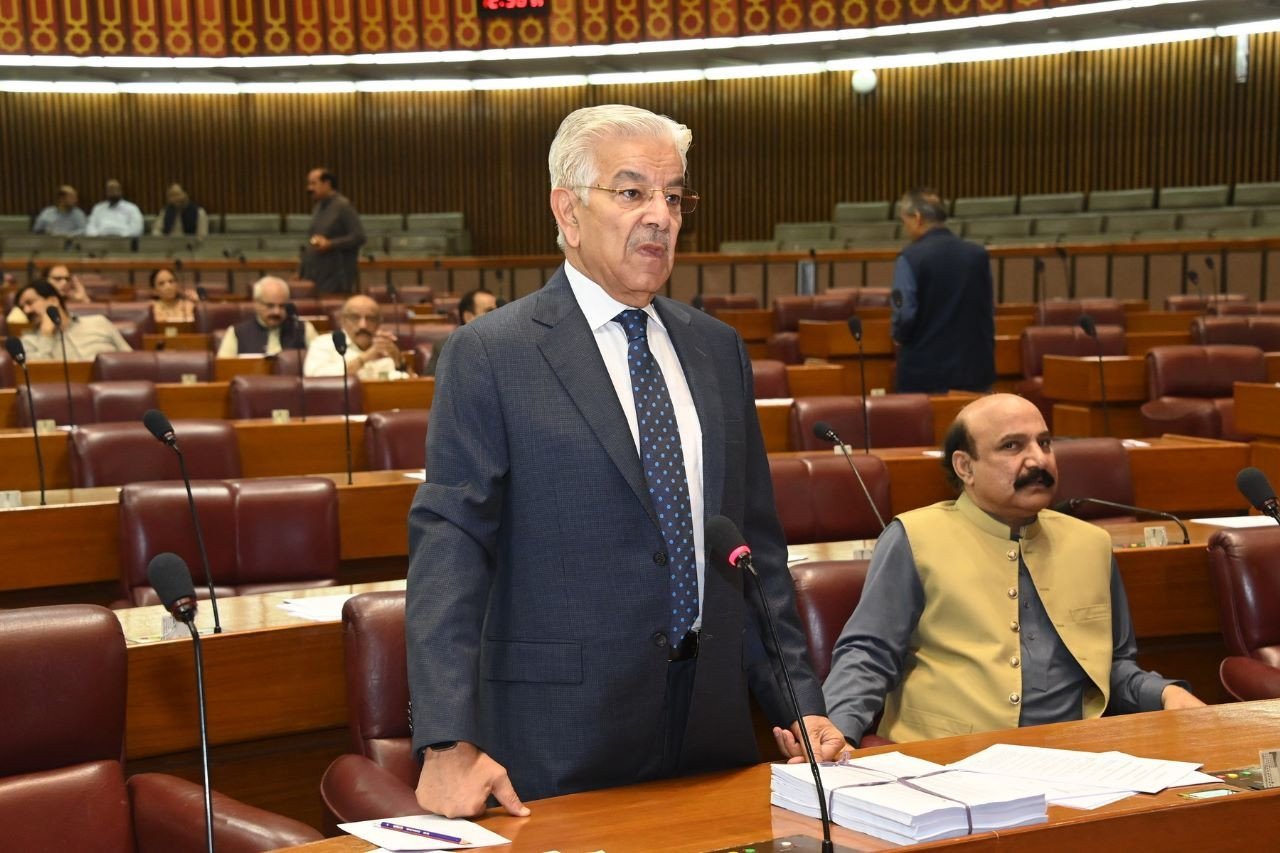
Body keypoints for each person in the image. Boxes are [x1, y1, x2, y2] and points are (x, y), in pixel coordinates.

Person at [406, 104, 845, 819]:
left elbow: (752, 545)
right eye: (633, 192)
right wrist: (446, 741)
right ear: (568, 210)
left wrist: (797, 700)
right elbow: (451, 550)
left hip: (711, 724)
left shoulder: (717, 349)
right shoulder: (492, 353)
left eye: (674, 197)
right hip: (560, 735)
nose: (661, 216)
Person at [823, 393, 1204, 746]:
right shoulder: (914, 537)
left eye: (1045, 443)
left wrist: (1166, 693)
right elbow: (869, 654)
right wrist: (837, 730)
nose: (1038, 460)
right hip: (949, 755)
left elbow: (1112, 666)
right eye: (1012, 446)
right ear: (965, 466)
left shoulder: (1091, 543)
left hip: (1076, 752)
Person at [890, 188, 994, 394]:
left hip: (925, 376)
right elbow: (987, 311)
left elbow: (905, 315)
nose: (905, 229)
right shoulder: (978, 255)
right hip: (975, 373)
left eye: (904, 221)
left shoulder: (910, 258)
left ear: (917, 218)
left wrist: (897, 336)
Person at [15, 280, 131, 360]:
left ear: (53, 301)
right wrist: (46, 336)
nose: (26, 310)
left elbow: (130, 359)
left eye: (30, 303)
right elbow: (40, 376)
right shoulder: (28, 343)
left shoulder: (99, 322)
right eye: (22, 307)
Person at [304, 294, 407, 380]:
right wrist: (364, 359)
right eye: (355, 318)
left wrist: (399, 361)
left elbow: (410, 383)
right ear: (343, 320)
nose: (363, 325)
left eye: (371, 318)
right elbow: (313, 378)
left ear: (379, 323)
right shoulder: (323, 344)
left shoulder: (385, 346)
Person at [299, 169, 365, 295]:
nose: (309, 188)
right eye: (309, 184)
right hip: (316, 275)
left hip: (336, 278)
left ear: (327, 183)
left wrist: (331, 244)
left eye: (313, 183)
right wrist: (301, 271)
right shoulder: (318, 207)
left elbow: (359, 236)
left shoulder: (343, 206)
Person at [216, 276, 316, 357]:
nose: (276, 312)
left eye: (282, 306)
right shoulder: (236, 333)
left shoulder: (304, 329)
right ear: (256, 303)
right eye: (270, 306)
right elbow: (224, 370)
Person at [420, 287, 497, 377]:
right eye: (489, 311)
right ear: (469, 317)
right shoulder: (446, 350)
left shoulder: (507, 347)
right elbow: (429, 386)